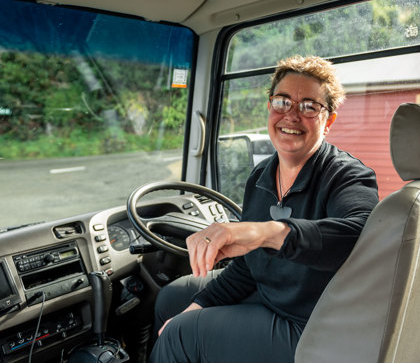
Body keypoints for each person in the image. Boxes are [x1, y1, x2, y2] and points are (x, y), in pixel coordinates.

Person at [149, 55, 379, 363]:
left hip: (313, 323)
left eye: (309, 106)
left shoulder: (347, 175)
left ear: (329, 121)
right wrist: (200, 304)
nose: (292, 115)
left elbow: (360, 236)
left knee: (181, 334)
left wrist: (267, 232)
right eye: (282, 102)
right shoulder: (260, 176)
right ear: (269, 107)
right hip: (273, 296)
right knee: (171, 300)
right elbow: (249, 267)